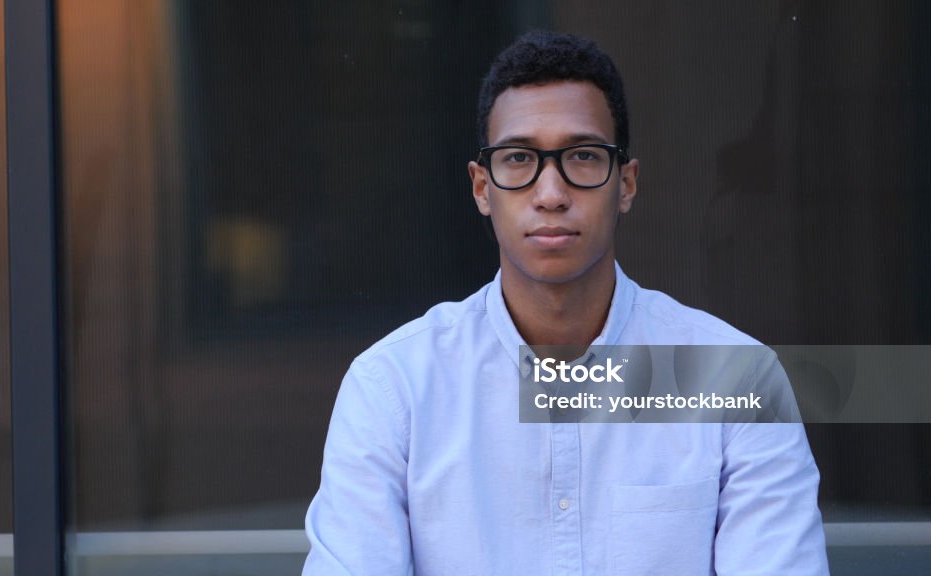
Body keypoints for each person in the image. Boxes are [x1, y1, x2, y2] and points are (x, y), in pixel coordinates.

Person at [303, 31, 828, 575]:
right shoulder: (395, 388)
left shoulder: (735, 379)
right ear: (482, 188)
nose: (550, 193)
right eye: (518, 158)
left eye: (582, 156)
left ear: (626, 183)